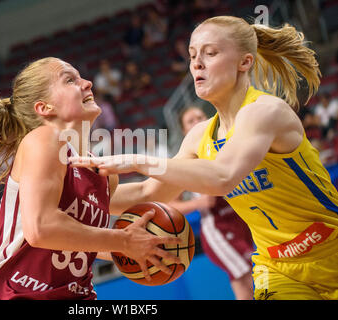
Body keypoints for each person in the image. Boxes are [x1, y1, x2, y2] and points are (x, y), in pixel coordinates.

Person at [71, 16, 338, 300]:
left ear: (244, 62)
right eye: (192, 56)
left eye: (210, 53)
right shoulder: (200, 136)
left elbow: (223, 177)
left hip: (330, 249)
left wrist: (139, 161)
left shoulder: (265, 111)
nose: (197, 63)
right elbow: (148, 191)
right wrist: (77, 202)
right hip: (278, 267)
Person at [0, 57, 181, 300]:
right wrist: (122, 242)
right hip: (15, 294)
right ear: (44, 107)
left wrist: (197, 151)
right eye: (70, 79)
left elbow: (147, 194)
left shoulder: (98, 171)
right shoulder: (44, 139)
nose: (87, 83)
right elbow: (42, 229)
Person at [169, 105, 254, 300]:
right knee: (246, 281)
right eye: (191, 120)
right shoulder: (186, 161)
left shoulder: (223, 145)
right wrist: (197, 204)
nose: (197, 121)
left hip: (243, 219)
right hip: (218, 228)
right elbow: (170, 204)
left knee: (253, 281)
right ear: (184, 131)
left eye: (200, 116)